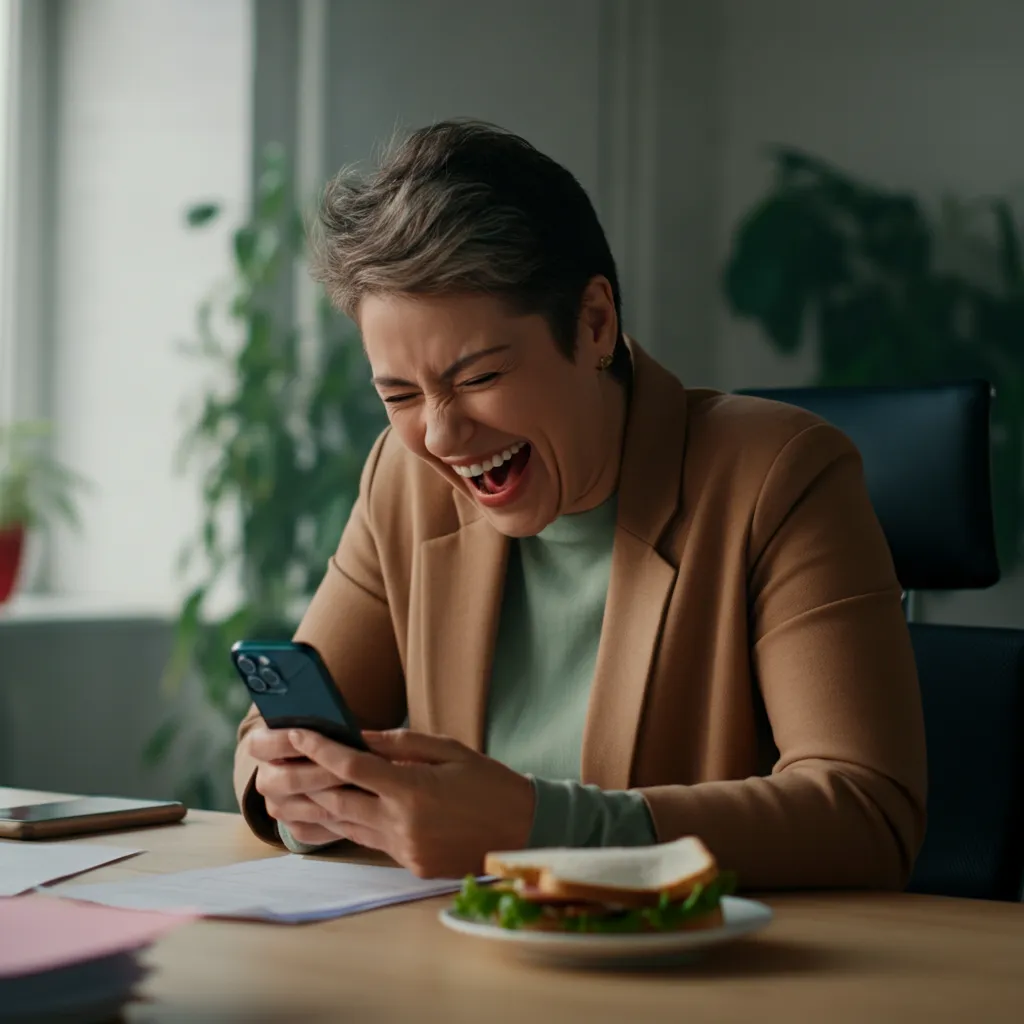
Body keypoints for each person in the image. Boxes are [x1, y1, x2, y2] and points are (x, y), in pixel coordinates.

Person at [233, 120, 927, 889]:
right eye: (399, 394)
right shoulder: (404, 478)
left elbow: (867, 813)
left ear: (596, 323)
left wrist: (542, 829)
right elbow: (273, 738)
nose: (439, 433)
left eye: (479, 378)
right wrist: (297, 792)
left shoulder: (778, 476)